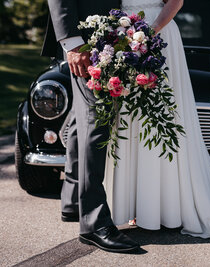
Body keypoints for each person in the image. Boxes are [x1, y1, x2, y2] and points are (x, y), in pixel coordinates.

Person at [103, 0, 210, 240]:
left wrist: (149, 32)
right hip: (123, 36)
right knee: (128, 119)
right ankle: (132, 206)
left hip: (157, 33)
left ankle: (169, 208)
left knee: (161, 116)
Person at [41, 0, 140, 252]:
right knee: (95, 122)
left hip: (106, 35)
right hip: (84, 39)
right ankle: (94, 224)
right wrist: (72, 42)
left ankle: (74, 200)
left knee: (81, 119)